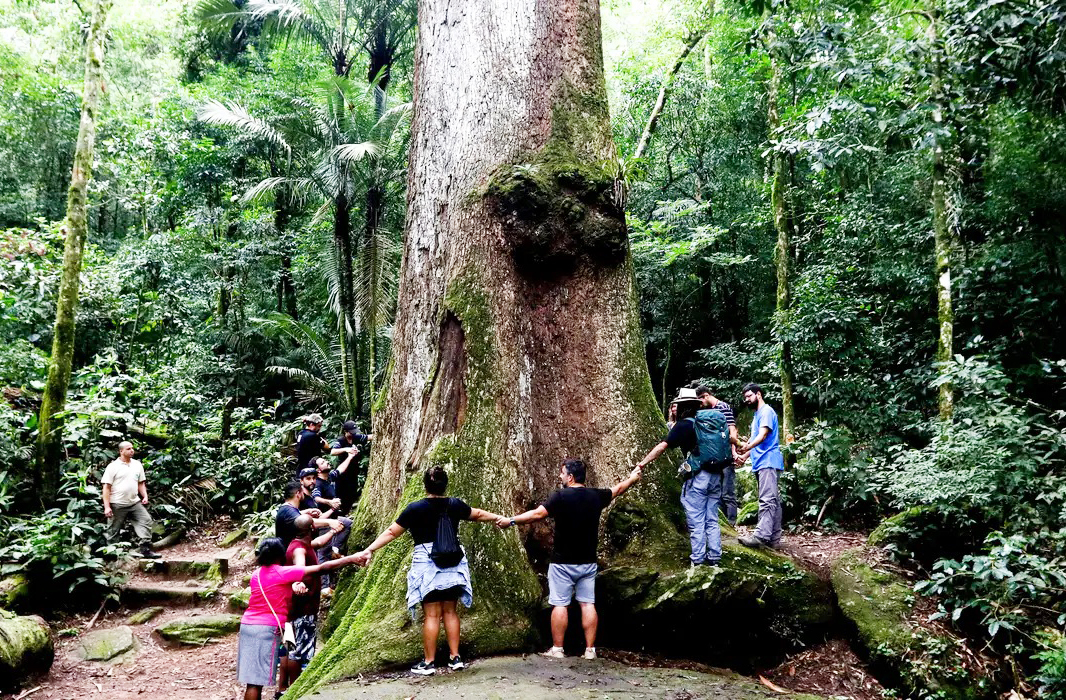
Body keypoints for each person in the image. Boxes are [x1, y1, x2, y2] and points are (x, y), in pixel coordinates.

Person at [354, 466, 506, 676]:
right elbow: (477, 514)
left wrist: (369, 549)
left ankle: (429, 662)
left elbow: (391, 532)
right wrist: (499, 517)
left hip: (428, 565)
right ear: (445, 485)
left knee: (432, 615)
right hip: (453, 562)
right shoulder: (455, 504)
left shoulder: (415, 509)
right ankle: (455, 658)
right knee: (451, 611)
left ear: (425, 485)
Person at [497, 459, 643, 660]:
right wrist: (633, 478)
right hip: (588, 562)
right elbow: (618, 489)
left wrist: (511, 520)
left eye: (562, 473)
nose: (560, 476)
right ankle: (590, 650)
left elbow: (538, 514)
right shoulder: (596, 496)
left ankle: (557, 649)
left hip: (562, 563)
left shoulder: (560, 496)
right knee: (587, 604)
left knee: (560, 604)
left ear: (570, 477)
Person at [237, 537, 366, 700]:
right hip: (266, 629)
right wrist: (351, 558)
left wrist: (293, 585)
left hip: (248, 626)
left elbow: (274, 586)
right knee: (255, 683)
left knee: (252, 681)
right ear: (280, 555)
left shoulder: (257, 574)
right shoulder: (282, 572)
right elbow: (322, 568)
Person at [635, 387, 724, 566]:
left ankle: (698, 560)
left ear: (682, 407)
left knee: (696, 519)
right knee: (712, 519)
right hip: (717, 475)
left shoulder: (684, 424)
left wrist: (642, 463)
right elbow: (729, 439)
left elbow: (662, 447)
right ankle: (715, 557)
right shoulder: (708, 421)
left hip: (698, 476)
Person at [277, 515, 334, 694]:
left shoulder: (300, 544)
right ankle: (295, 689)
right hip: (302, 609)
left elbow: (317, 544)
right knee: (298, 650)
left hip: (292, 608)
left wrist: (333, 531)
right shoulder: (299, 550)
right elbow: (299, 568)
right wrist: (297, 581)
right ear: (311, 528)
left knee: (288, 646)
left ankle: (283, 689)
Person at [736, 383, 785, 549]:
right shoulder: (757, 415)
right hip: (761, 462)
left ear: (758, 394)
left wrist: (746, 447)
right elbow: (754, 440)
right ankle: (774, 539)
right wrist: (744, 455)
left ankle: (760, 536)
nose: (747, 400)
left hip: (768, 461)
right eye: (745, 398)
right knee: (773, 501)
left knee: (766, 500)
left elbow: (763, 436)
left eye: (749, 396)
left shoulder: (766, 412)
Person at [297, 466, 352, 594]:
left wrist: (331, 512)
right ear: (301, 481)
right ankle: (324, 587)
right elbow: (307, 520)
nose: (311, 481)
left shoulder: (310, 497)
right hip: (308, 534)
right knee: (322, 554)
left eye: (313, 478)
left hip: (319, 528)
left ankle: (335, 549)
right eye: (308, 479)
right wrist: (331, 511)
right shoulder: (302, 498)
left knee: (347, 523)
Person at [101, 442, 160, 559]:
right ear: (121, 451)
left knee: (146, 521)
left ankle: (145, 549)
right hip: (117, 504)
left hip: (134, 502)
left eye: (132, 448)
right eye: (128, 449)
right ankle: (112, 556)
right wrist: (107, 507)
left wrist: (145, 496)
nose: (132, 450)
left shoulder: (137, 465)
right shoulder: (113, 467)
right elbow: (106, 488)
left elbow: (141, 483)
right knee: (113, 530)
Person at [694, 385, 740, 526]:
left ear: (706, 396)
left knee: (728, 492)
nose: (700, 404)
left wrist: (733, 452)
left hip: (726, 456)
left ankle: (731, 522)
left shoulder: (723, 407)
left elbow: (732, 430)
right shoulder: (710, 411)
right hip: (715, 457)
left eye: (700, 400)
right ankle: (722, 523)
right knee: (717, 492)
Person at [275, 481, 344, 547]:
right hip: (287, 552)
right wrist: (329, 522)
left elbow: (294, 516)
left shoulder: (286, 508)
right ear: (298, 493)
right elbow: (303, 522)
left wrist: (308, 511)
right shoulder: (288, 510)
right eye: (302, 491)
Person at [330, 420, 372, 511]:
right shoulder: (341, 440)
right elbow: (333, 452)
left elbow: (369, 437)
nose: (353, 434)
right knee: (341, 495)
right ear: (345, 431)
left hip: (353, 472)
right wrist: (346, 449)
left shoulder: (356, 437)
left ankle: (346, 510)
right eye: (351, 432)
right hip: (343, 473)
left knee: (352, 494)